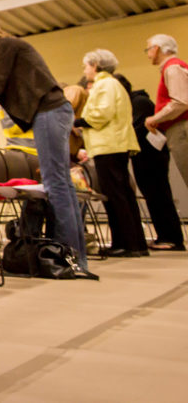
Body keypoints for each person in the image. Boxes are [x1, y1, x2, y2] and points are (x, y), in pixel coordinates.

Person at [0, 20, 89, 270]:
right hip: (54, 112)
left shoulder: (3, 46)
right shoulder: (11, 47)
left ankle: (69, 256)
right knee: (63, 186)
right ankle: (76, 256)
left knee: (56, 186)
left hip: (49, 112)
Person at [74, 50, 147, 257]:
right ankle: (136, 243)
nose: (85, 70)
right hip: (116, 144)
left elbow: (101, 114)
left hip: (108, 145)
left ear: (96, 65)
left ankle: (124, 243)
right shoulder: (115, 84)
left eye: (86, 66)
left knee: (115, 197)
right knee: (124, 195)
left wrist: (77, 122)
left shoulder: (104, 84)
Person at [114, 74, 184, 251]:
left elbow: (135, 130)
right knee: (153, 196)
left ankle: (171, 238)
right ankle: (165, 236)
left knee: (159, 195)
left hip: (151, 157)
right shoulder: (134, 103)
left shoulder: (139, 103)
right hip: (144, 156)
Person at [144, 34, 188, 192]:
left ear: (156, 49)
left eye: (148, 49)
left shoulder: (172, 67)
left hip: (182, 128)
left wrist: (155, 118)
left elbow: (181, 102)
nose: (148, 55)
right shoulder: (174, 67)